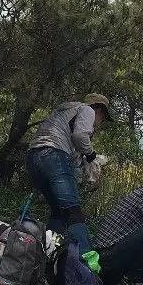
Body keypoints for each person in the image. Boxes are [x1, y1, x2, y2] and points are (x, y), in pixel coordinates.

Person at [25, 94, 110, 252]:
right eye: (103, 117)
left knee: (58, 211)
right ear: (99, 110)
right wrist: (91, 155)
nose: (100, 122)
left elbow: (73, 153)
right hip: (54, 154)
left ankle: (47, 254)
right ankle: (86, 262)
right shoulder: (87, 110)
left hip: (33, 157)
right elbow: (80, 135)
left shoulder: (65, 111)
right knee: (73, 211)